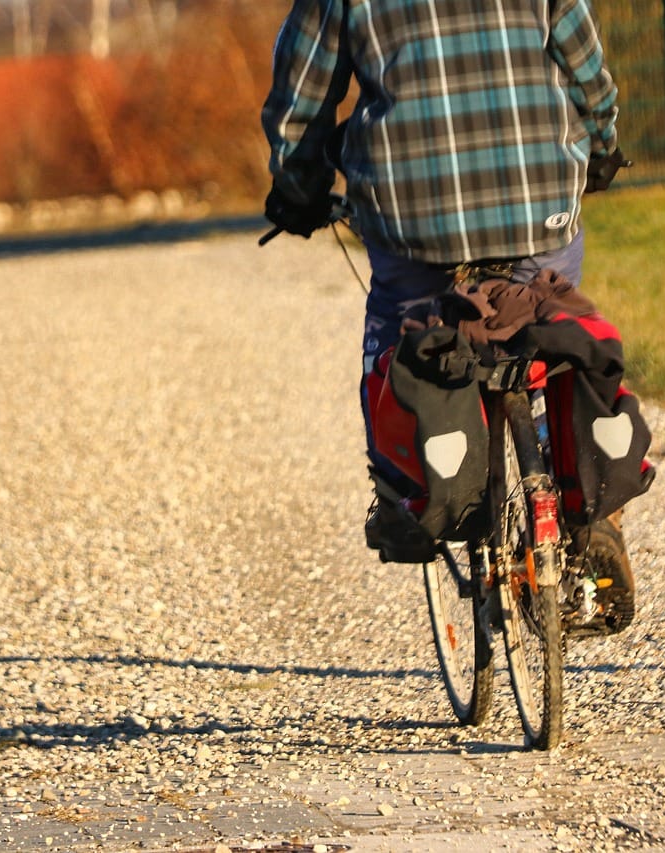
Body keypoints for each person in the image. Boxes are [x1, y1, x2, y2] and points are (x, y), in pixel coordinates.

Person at [260, 0, 634, 624]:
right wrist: (600, 148)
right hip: (537, 200)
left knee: (397, 330)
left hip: (412, 217)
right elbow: (586, 69)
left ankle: (406, 492)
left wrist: (297, 191)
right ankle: (592, 516)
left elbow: (301, 100)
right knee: (549, 328)